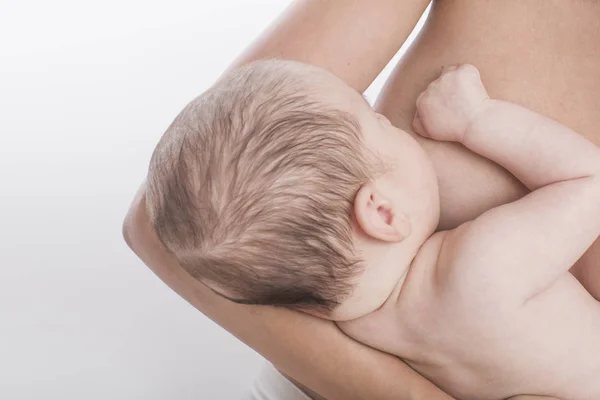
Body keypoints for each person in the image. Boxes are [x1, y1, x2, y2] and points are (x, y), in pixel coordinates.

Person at [123, 1, 600, 398]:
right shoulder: (478, 266)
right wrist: (477, 122)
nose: (386, 119)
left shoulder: (357, 319)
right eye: (379, 122)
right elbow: (589, 179)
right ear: (381, 213)